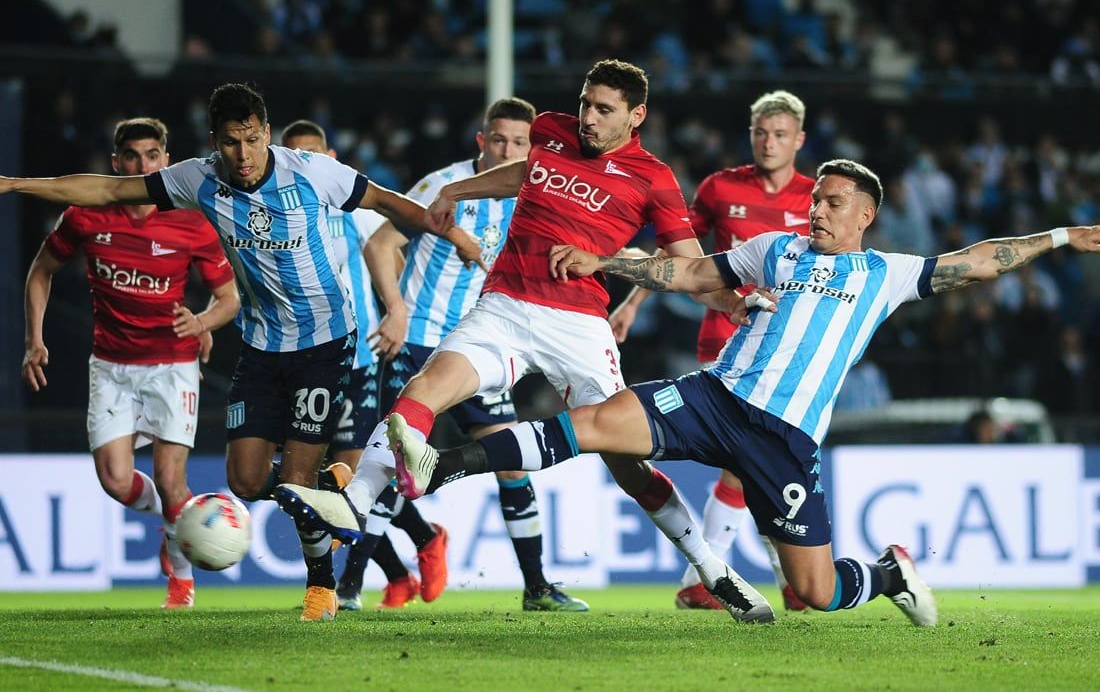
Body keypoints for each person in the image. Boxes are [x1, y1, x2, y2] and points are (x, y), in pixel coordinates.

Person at [388, 159, 1100, 626]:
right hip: (714, 396)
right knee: (594, 421)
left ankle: (888, 574)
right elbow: (695, 277)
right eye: (816, 198)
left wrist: (1062, 234)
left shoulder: (887, 271)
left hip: (783, 441)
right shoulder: (778, 249)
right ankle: (443, 466)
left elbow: (979, 262)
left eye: (833, 204)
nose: (816, 211)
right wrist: (612, 261)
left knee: (816, 592)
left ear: (864, 218)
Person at [276, 60, 751, 615]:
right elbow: (527, 172)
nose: (589, 119)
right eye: (585, 103)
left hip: (579, 325)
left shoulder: (653, 178)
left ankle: (712, 569)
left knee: (627, 464)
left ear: (636, 115)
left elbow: (691, 269)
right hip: (503, 306)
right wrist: (459, 188)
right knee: (423, 392)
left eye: (604, 110)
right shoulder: (552, 131)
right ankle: (353, 507)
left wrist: (723, 299)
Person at [2, 83, 481, 622]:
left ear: (267, 133)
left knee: (295, 477)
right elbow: (110, 191)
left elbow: (389, 204)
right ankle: (335, 488)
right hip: (260, 344)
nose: (244, 155)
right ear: (215, 141)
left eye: (252, 140)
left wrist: (457, 237)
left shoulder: (310, 171)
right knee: (247, 481)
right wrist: (18, 183)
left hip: (325, 339)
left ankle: (320, 589)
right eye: (232, 143)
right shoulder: (198, 178)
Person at [361, 97, 588, 611]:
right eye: (500, 140)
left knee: (512, 465)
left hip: (479, 347)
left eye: (520, 143)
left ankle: (537, 588)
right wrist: (394, 308)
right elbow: (380, 244)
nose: (509, 150)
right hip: (417, 341)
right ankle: (349, 587)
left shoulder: (534, 196)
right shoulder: (443, 185)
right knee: (392, 460)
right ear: (482, 141)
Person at [22, 117, 240, 609]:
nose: (144, 166)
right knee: (116, 481)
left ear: (166, 160)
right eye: (133, 157)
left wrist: (203, 323)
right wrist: (34, 340)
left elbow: (228, 299)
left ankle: (181, 584)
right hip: (112, 365)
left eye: (153, 156)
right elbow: (41, 271)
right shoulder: (85, 216)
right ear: (116, 163)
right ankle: (177, 521)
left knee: (169, 478)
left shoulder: (192, 220)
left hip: (173, 364)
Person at [612, 89, 813, 612]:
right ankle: (711, 579)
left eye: (780, 134)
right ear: (751, 135)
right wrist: (632, 303)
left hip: (786, 353)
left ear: (799, 140)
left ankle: (773, 578)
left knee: (760, 465)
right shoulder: (721, 188)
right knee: (746, 461)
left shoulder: (819, 200)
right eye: (761, 133)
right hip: (725, 343)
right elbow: (676, 253)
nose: (769, 143)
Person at [280, 119, 449, 612]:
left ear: (332, 156)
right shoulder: (278, 216)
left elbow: (392, 263)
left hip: (356, 358)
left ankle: (348, 585)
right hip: (294, 360)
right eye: (296, 157)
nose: (308, 167)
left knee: (354, 482)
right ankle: (408, 559)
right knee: (315, 482)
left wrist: (395, 313)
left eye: (316, 156)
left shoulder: (354, 209)